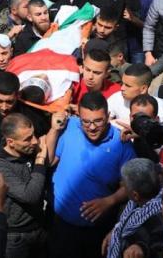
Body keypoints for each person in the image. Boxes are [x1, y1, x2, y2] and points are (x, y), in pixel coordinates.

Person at [47, 92, 134, 258]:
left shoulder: (122, 142)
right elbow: (50, 161)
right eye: (86, 122)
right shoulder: (70, 127)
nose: (92, 127)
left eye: (98, 121)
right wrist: (53, 130)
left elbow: (130, 185)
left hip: (97, 233)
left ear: (108, 116)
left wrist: (109, 201)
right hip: (61, 226)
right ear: (79, 117)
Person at [0, 113, 47, 258]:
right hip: (15, 237)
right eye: (27, 139)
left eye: (33, 135)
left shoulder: (28, 149)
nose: (35, 141)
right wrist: (40, 162)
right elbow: (30, 196)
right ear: (10, 142)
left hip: (38, 228)